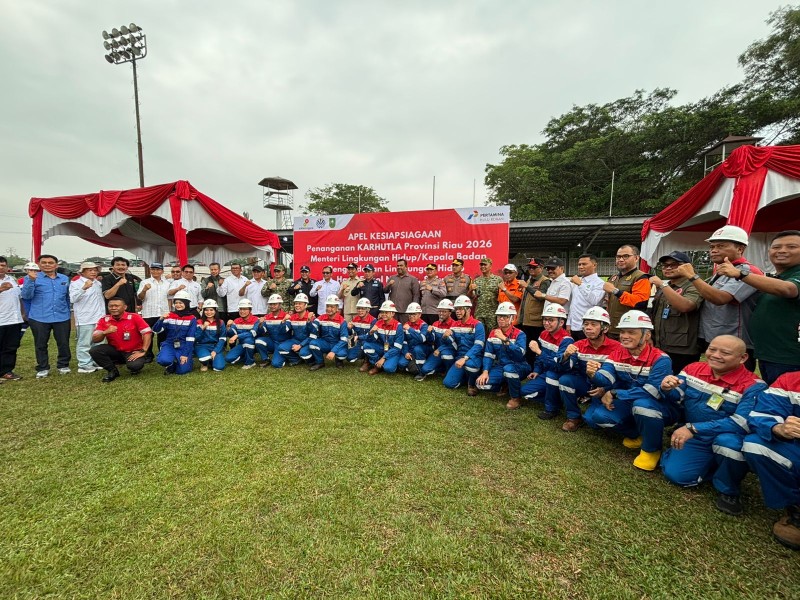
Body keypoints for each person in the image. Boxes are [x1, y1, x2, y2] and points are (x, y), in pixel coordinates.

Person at [660, 335, 766, 516]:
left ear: (743, 358)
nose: (715, 355)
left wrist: (693, 428)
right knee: (677, 476)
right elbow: (677, 396)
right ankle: (710, 465)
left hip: (724, 436)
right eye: (712, 349)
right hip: (695, 436)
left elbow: (741, 423)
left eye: (725, 352)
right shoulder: (693, 369)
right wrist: (667, 388)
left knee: (728, 445)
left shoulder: (755, 386)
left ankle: (729, 489)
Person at [584, 310, 676, 471]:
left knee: (642, 405)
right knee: (598, 417)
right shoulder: (617, 354)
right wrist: (593, 374)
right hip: (628, 401)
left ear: (647, 335)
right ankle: (638, 434)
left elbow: (653, 391)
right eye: (623, 332)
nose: (625, 336)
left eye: (631, 332)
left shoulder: (661, 359)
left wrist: (615, 393)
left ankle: (651, 450)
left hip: (656, 405)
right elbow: (606, 378)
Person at [718, 229, 800, 385]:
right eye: (776, 247)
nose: (782, 250)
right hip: (768, 355)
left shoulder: (793, 278)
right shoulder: (775, 277)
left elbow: (788, 289)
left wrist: (740, 274)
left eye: (791, 247)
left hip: (789, 358)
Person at [674, 225, 762, 370]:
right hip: (715, 339)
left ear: (740, 249)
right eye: (712, 246)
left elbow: (720, 299)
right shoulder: (720, 272)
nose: (714, 250)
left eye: (721, 246)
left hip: (734, 343)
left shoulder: (746, 271)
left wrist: (692, 276)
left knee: (734, 381)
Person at [743, 371, 800, 550]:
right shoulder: (791, 380)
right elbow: (762, 414)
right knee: (756, 445)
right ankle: (796, 508)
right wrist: (778, 428)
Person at [558, 307, 621, 432]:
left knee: (592, 420)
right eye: (586, 324)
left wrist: (606, 389)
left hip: (605, 388)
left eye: (593, 324)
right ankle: (573, 417)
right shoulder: (578, 345)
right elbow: (565, 368)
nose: (588, 327)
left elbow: (621, 376)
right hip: (585, 384)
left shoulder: (618, 348)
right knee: (565, 380)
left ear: (605, 328)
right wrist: (565, 356)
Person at [648, 251, 704, 375]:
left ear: (687, 266)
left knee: (678, 382)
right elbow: (655, 314)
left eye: (674, 265)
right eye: (665, 265)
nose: (668, 268)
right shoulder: (667, 287)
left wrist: (662, 285)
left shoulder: (694, 285)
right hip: (661, 345)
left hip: (682, 349)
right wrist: (651, 336)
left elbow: (686, 306)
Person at [20, 254, 72, 377]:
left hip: (62, 316)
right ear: (39, 265)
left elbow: (67, 296)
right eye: (44, 263)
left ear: (56, 265)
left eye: (50, 262)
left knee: (63, 343)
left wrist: (68, 311)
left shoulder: (64, 278)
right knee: (41, 344)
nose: (47, 265)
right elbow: (26, 296)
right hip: (39, 317)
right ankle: (43, 367)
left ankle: (63, 365)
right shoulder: (31, 277)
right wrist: (31, 281)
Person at [520, 304, 574, 415]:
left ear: (561, 322)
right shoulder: (543, 334)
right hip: (545, 373)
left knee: (551, 374)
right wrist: (537, 371)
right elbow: (538, 359)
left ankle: (552, 407)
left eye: (551, 320)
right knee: (524, 391)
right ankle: (556, 398)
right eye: (545, 319)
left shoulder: (566, 340)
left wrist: (539, 351)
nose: (546, 323)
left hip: (559, 375)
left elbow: (558, 366)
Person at [476, 301, 531, 403]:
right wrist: (485, 372)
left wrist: (505, 340)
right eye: (499, 316)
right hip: (501, 366)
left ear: (512, 318)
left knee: (509, 370)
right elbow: (488, 355)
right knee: (481, 384)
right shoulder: (493, 333)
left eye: (505, 316)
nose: (501, 319)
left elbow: (520, 354)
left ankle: (515, 398)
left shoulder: (520, 334)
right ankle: (505, 384)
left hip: (519, 365)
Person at [89, 297, 152, 382]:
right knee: (94, 350)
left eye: (116, 306)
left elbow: (147, 333)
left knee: (134, 366)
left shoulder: (134, 317)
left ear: (125, 307)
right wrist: (105, 332)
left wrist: (143, 351)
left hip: (133, 351)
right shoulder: (104, 320)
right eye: (111, 306)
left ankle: (133, 366)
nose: (113, 308)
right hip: (116, 351)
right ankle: (112, 371)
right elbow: (95, 339)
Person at [603, 245, 652, 339]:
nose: (621, 259)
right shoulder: (614, 278)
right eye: (618, 257)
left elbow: (640, 303)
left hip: (629, 330)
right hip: (611, 328)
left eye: (626, 256)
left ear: (636, 258)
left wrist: (615, 291)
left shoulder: (641, 277)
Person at [443, 295, 486, 393]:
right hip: (459, 357)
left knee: (470, 365)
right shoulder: (454, 324)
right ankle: (466, 377)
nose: (457, 311)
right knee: (448, 384)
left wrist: (465, 358)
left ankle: (472, 384)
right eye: (456, 309)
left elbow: (479, 346)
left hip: (474, 357)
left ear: (469, 310)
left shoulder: (478, 325)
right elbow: (451, 343)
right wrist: (446, 337)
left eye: (460, 309)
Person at [69, 262, 105, 374]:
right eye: (90, 270)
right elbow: (72, 299)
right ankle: (84, 365)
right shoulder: (76, 284)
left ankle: (96, 361)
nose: (93, 272)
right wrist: (83, 288)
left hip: (99, 317)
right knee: (84, 343)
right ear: (82, 272)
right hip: (85, 318)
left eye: (95, 270)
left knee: (98, 342)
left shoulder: (98, 283)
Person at [152, 290, 197, 375]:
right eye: (176, 303)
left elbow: (190, 338)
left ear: (186, 303)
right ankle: (171, 365)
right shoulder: (169, 316)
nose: (178, 305)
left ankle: (184, 361)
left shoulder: (192, 318)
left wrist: (185, 354)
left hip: (183, 345)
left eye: (181, 303)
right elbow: (156, 330)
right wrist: (160, 319)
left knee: (182, 371)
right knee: (163, 360)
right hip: (169, 344)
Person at [415, 299, 458, 381]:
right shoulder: (435, 323)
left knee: (446, 355)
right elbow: (431, 341)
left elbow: (453, 344)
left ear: (450, 313)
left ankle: (448, 371)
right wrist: (429, 333)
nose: (441, 314)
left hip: (450, 351)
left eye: (444, 312)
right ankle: (441, 368)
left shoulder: (454, 325)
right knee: (425, 370)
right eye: (440, 311)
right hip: (437, 352)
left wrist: (440, 349)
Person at [517, 259, 550, 363]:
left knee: (534, 346)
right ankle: (528, 366)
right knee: (526, 346)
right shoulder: (529, 280)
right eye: (529, 267)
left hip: (535, 321)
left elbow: (540, 297)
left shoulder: (545, 281)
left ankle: (535, 367)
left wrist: (527, 286)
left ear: (541, 268)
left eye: (534, 267)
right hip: (525, 319)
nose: (531, 269)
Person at [137, 262, 171, 363]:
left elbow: (170, 298)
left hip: (163, 313)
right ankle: (148, 355)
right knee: (148, 335)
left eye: (158, 269)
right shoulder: (144, 282)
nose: (155, 271)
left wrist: (169, 311)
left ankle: (162, 353)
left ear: (162, 271)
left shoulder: (167, 283)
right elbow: (140, 297)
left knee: (162, 335)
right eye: (153, 269)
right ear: (150, 270)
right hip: (149, 313)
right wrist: (144, 290)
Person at [566, 254, 605, 341]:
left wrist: (580, 285)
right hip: (574, 326)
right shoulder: (578, 281)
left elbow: (594, 301)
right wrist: (569, 323)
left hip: (589, 327)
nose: (580, 267)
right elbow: (573, 304)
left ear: (594, 265)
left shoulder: (599, 283)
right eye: (579, 264)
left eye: (584, 264)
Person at [363, 300, 405, 375]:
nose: (384, 314)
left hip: (393, 350)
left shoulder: (398, 326)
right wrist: (371, 332)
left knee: (389, 369)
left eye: (386, 312)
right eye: (382, 312)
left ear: (393, 313)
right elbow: (371, 340)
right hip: (382, 348)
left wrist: (383, 358)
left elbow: (397, 348)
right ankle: (377, 365)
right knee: (366, 345)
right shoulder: (379, 322)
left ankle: (385, 362)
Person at [0, 255, 24, 382]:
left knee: (11, 347)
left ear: (7, 267)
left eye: (3, 265)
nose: (1, 268)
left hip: (14, 320)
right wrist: (1, 289)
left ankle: (6, 371)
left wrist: (23, 314)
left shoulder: (12, 280)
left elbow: (18, 298)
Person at [309, 295, 348, 371]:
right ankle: (320, 362)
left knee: (342, 354)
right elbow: (313, 329)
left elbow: (344, 339)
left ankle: (339, 361)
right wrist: (309, 321)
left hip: (336, 343)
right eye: (327, 306)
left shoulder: (342, 321)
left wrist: (333, 351)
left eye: (332, 307)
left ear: (337, 308)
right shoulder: (320, 318)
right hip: (325, 342)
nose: (329, 309)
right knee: (313, 344)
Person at [276, 293, 315, 367]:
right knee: (281, 348)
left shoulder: (312, 317)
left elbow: (313, 335)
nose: (297, 305)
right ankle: (296, 359)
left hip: (308, 341)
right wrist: (283, 321)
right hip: (296, 340)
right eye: (296, 303)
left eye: (300, 303)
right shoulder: (292, 317)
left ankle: (312, 360)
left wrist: (300, 345)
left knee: (304, 353)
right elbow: (283, 331)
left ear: (306, 305)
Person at [256, 294, 292, 368]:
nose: (272, 306)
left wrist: (283, 321)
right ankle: (266, 359)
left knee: (276, 364)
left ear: (280, 305)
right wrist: (260, 324)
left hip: (283, 343)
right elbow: (262, 332)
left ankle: (286, 356)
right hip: (272, 342)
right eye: (271, 304)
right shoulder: (267, 317)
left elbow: (284, 331)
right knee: (258, 341)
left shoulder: (287, 316)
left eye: (275, 304)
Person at [468, 256, 503, 331]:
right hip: (479, 313)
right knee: (479, 333)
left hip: (492, 313)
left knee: (492, 334)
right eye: (481, 265)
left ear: (490, 266)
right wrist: (470, 290)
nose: (483, 266)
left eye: (485, 264)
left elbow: (502, 297)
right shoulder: (477, 280)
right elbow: (472, 296)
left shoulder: (498, 279)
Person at [193, 299, 227, 372]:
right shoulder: (199, 322)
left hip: (215, 346)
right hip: (201, 346)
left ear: (215, 311)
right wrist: (203, 328)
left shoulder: (221, 322)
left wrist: (215, 351)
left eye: (211, 310)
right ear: (203, 311)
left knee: (219, 368)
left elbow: (222, 338)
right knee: (204, 358)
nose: (209, 312)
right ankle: (204, 363)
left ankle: (211, 360)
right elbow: (196, 338)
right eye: (206, 310)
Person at [225, 298, 259, 369]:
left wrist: (237, 336)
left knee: (248, 340)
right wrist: (228, 327)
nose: (242, 311)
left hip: (255, 344)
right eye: (240, 309)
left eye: (245, 309)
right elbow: (231, 334)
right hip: (241, 344)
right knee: (228, 358)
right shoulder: (236, 320)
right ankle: (245, 356)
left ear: (250, 310)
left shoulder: (256, 320)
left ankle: (250, 362)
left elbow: (252, 333)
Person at [398, 302, 430, 375]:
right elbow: (404, 341)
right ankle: (412, 365)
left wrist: (410, 329)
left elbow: (422, 339)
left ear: (420, 314)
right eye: (410, 314)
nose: (411, 316)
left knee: (417, 349)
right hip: (410, 350)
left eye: (414, 314)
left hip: (421, 350)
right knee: (401, 364)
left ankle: (420, 370)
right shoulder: (406, 324)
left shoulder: (424, 325)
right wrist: (406, 352)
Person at [384, 258, 420, 323]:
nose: (399, 267)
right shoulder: (392, 278)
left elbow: (416, 296)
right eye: (398, 266)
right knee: (392, 328)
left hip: (406, 312)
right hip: (393, 312)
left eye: (401, 265)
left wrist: (413, 311)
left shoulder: (413, 279)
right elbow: (385, 291)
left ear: (406, 267)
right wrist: (389, 284)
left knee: (405, 328)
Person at [349, 298, 376, 369]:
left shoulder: (373, 320)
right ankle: (362, 355)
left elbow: (371, 336)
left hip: (369, 342)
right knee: (350, 357)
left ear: (368, 310)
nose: (360, 310)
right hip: (359, 342)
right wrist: (349, 328)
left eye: (363, 309)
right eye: (358, 308)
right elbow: (351, 334)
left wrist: (359, 337)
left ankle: (367, 361)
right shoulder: (355, 319)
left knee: (366, 345)